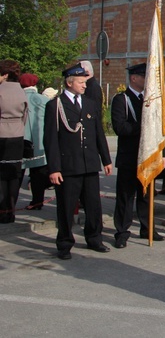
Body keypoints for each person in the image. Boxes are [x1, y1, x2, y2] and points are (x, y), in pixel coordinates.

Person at [43, 63, 112, 259]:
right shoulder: (55, 105)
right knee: (66, 207)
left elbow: (99, 133)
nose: (84, 85)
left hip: (89, 163)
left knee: (93, 205)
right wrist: (54, 168)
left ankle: (94, 238)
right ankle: (64, 243)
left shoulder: (89, 104)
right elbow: (51, 140)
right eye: (81, 82)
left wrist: (105, 158)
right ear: (69, 82)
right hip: (68, 166)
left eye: (85, 82)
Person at [111, 63, 165, 248]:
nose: (147, 80)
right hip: (129, 156)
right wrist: (143, 128)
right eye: (144, 76)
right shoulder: (122, 99)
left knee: (147, 195)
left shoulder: (150, 99)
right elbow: (120, 127)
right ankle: (122, 232)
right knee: (126, 197)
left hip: (148, 155)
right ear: (134, 78)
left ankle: (147, 228)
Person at [0, 60, 28, 223]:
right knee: (14, 175)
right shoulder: (21, 91)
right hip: (17, 134)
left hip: (2, 133)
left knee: (1, 176)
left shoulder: (1, 90)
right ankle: (11, 210)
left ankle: (2, 210)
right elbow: (25, 114)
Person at [19, 73, 52, 210]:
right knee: (38, 175)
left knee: (16, 176)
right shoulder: (43, 100)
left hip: (20, 140)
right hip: (40, 142)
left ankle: (8, 205)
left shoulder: (18, 98)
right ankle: (37, 202)